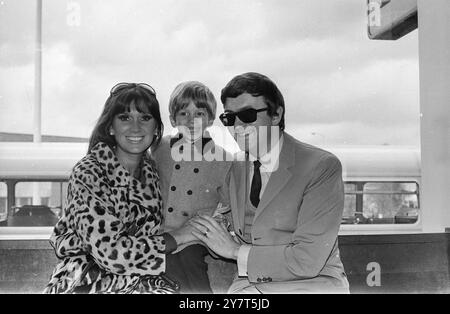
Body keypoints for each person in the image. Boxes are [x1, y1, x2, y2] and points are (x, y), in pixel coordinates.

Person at [190, 72, 349, 293]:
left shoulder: (321, 167)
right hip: (248, 287)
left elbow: (307, 260)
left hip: (311, 285)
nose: (237, 126)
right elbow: (221, 233)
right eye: (229, 118)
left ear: (276, 115)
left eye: (247, 115)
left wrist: (235, 251)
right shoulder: (234, 168)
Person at [44, 83, 195, 294]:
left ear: (156, 128)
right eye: (125, 118)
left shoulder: (151, 173)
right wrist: (179, 237)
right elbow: (111, 253)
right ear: (110, 127)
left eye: (145, 118)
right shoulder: (89, 172)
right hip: (87, 282)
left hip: (142, 282)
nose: (136, 127)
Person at [152, 81, 231, 294]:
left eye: (199, 113)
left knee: (189, 262)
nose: (192, 120)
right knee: (165, 265)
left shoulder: (224, 160)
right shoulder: (159, 149)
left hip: (196, 234)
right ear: (172, 119)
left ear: (211, 119)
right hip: (160, 231)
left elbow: (226, 205)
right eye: (184, 113)